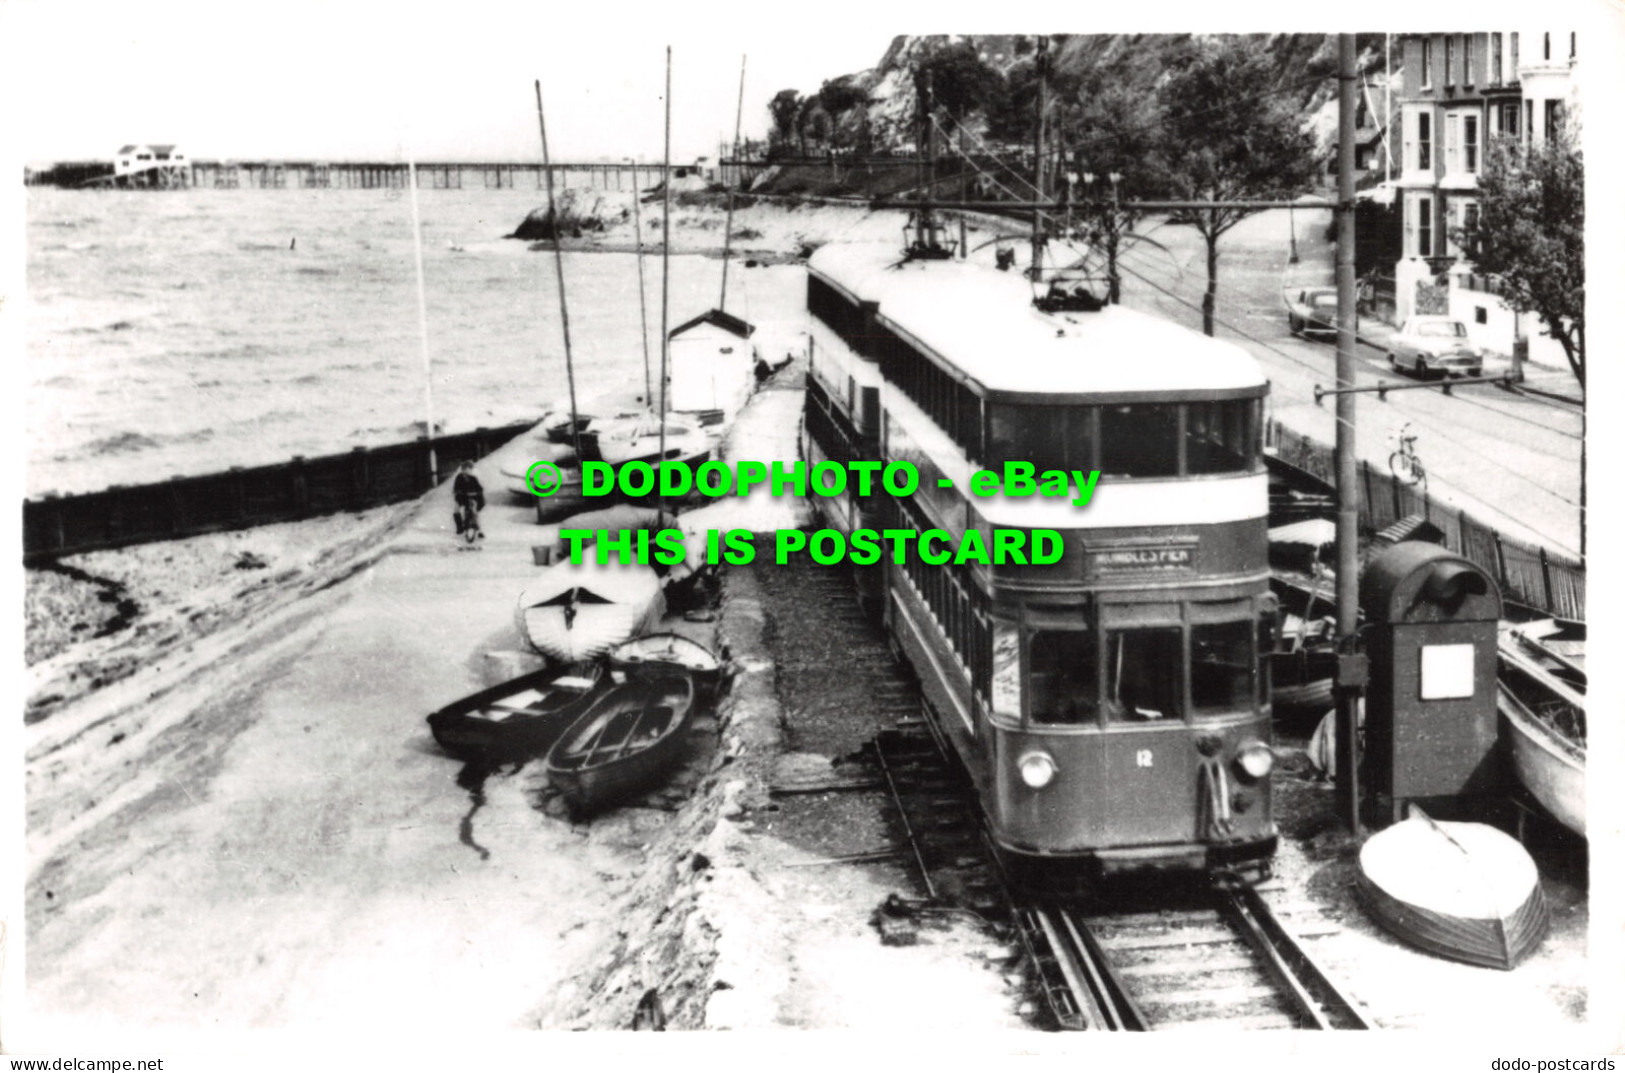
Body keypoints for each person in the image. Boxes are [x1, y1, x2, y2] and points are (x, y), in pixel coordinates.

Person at [453, 461, 486, 541]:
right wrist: (458, 491)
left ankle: (479, 531)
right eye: (468, 469)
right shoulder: (459, 477)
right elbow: (456, 488)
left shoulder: (473, 478)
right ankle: (459, 527)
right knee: (456, 509)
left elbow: (480, 488)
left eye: (470, 469)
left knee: (474, 511)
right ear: (464, 469)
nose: (469, 470)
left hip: (473, 497)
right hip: (462, 497)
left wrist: (477, 492)